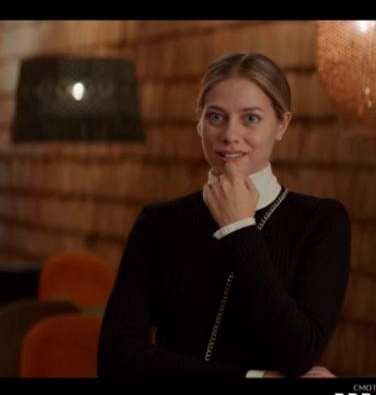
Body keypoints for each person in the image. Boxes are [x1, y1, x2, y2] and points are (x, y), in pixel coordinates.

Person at [97, 52, 350, 378]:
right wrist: (255, 378)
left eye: (251, 118)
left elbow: (299, 351)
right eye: (216, 116)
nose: (230, 135)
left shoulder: (321, 221)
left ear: (281, 124)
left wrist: (240, 230)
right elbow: (116, 358)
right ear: (199, 122)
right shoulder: (158, 223)